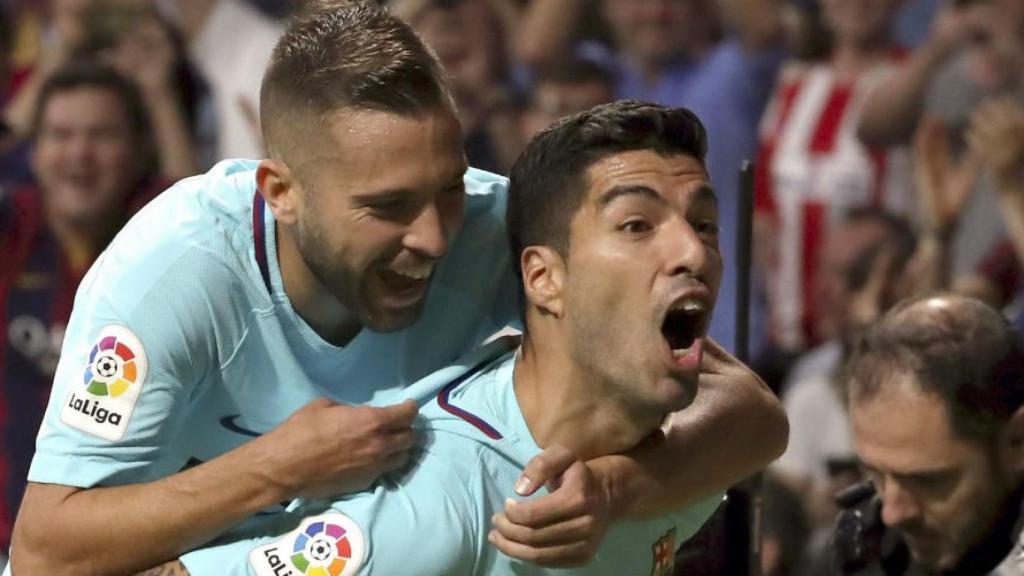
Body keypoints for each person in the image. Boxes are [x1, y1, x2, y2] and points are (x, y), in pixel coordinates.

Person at [8, 4, 787, 575]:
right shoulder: (174, 275)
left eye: (446, 188)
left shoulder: (492, 227)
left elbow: (749, 413)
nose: (434, 238)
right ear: (281, 191)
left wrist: (615, 489)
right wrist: (276, 467)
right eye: (387, 208)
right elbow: (44, 551)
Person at [145, 99, 779, 576]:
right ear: (543, 279)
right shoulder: (439, 502)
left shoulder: (677, 464)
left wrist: (615, 491)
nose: (693, 250)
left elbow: (758, 419)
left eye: (705, 223)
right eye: (637, 225)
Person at [0, 58, 161, 566]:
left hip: (119, 547)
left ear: (138, 152)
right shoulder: (12, 230)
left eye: (101, 135)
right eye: (60, 134)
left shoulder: (166, 245)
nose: (79, 154)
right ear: (34, 148)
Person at [831, 294, 1024, 575]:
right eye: (875, 475)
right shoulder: (869, 552)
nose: (892, 514)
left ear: (1017, 442)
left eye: (927, 481)